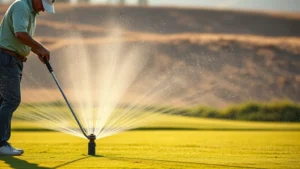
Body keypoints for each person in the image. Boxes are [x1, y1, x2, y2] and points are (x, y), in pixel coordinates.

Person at [0, 0, 55, 156]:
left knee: (3, 101)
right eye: (43, 5)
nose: (43, 10)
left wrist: (36, 51)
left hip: (12, 59)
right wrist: (40, 47)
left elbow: (22, 38)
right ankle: (1, 143)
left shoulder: (31, 12)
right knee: (11, 100)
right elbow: (20, 34)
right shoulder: (21, 7)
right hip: (6, 58)